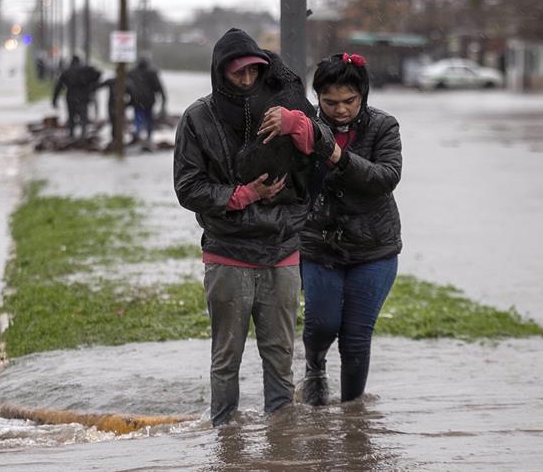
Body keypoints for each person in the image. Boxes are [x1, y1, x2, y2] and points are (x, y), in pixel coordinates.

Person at [173, 28, 335, 426]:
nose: (247, 81)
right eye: (237, 73)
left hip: (283, 249)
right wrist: (246, 194)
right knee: (226, 358)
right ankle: (225, 439)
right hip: (228, 254)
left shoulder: (285, 106)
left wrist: (296, 122)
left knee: (280, 356)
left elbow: (327, 149)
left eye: (253, 72)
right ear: (219, 73)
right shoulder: (198, 118)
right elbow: (188, 187)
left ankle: (280, 443)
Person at [297, 52, 403, 406]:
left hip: (374, 246)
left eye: (349, 101)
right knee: (322, 323)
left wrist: (339, 157)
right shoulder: (306, 128)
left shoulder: (383, 126)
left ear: (363, 96)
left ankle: (352, 417)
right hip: (318, 245)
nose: (340, 110)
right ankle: (314, 368)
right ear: (318, 99)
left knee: (356, 337)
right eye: (330, 102)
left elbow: (386, 177)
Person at [52, 55, 100, 138]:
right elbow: (97, 74)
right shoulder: (85, 70)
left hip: (71, 97)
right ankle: (83, 134)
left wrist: (54, 100)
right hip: (83, 97)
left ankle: (71, 134)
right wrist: (92, 88)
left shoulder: (66, 72)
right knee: (83, 117)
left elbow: (59, 87)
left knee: (71, 117)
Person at [126, 57, 166, 148]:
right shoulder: (152, 73)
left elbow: (126, 86)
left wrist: (126, 99)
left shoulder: (132, 73)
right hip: (149, 101)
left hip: (137, 101)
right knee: (149, 120)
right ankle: (148, 137)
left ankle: (138, 135)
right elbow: (158, 88)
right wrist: (163, 100)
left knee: (138, 118)